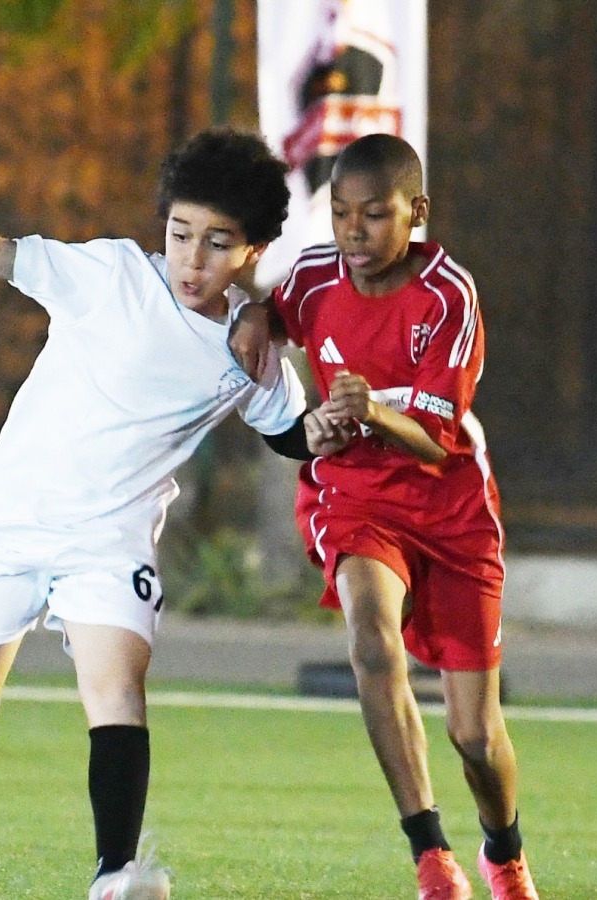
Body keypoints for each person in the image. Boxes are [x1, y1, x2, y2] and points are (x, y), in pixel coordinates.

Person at [0, 129, 317, 900]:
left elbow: (297, 435)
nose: (192, 259)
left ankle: (114, 873)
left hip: (108, 541)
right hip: (10, 523)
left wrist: (324, 373)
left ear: (254, 250)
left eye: (216, 244)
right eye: (180, 234)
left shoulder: (248, 351)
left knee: (117, 690)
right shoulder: (111, 274)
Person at [230, 132, 540, 900]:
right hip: (357, 496)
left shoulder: (448, 296)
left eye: (373, 215)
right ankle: (431, 856)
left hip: (452, 505)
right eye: (339, 214)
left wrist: (365, 406)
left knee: (476, 735)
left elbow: (437, 440)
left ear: (417, 213)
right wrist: (251, 322)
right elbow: (270, 307)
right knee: (372, 645)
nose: (353, 232)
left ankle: (502, 851)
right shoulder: (314, 280)